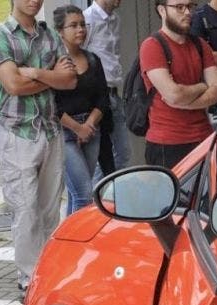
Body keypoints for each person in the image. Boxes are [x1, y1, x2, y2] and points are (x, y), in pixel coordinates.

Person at [0, 0, 76, 297]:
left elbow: (70, 80)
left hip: (50, 130)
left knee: (50, 209)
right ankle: (29, 279)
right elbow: (13, 84)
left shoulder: (49, 33)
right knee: (25, 210)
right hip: (17, 132)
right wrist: (50, 74)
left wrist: (35, 73)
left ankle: (48, 273)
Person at [140, 0, 217, 169]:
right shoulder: (152, 46)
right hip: (167, 144)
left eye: (191, 6)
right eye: (179, 7)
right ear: (162, 10)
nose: (187, 12)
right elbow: (174, 95)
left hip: (204, 139)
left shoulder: (201, 45)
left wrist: (186, 103)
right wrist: (202, 86)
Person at [53, 6, 108, 216]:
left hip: (92, 130)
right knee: (84, 193)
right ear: (60, 31)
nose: (80, 30)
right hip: (66, 132)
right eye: (73, 25)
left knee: (77, 194)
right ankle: (78, 243)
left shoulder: (93, 59)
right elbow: (53, 105)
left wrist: (89, 125)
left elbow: (103, 98)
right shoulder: (54, 63)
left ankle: (65, 244)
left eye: (82, 24)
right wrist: (77, 129)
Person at [83, 0, 128, 177]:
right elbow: (78, 53)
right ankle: (98, 201)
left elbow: (112, 56)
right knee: (100, 158)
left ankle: (113, 197)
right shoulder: (87, 19)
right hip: (97, 97)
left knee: (123, 153)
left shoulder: (115, 19)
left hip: (114, 94)